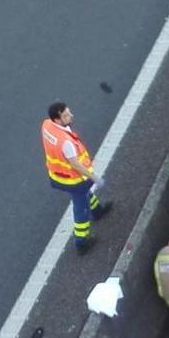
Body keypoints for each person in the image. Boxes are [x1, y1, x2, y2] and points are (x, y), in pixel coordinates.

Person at [41, 102, 111, 254]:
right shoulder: (66, 143)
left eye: (69, 112)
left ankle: (97, 210)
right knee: (81, 208)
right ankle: (81, 241)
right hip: (73, 180)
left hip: (57, 175)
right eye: (66, 115)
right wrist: (94, 177)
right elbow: (76, 165)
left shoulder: (47, 125)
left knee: (85, 194)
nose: (71, 116)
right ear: (57, 120)